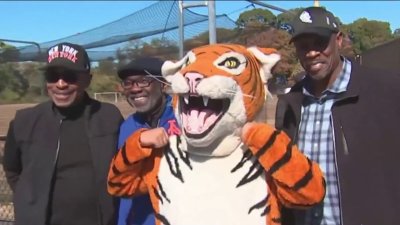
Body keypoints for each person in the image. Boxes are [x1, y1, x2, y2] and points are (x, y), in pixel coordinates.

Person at [276, 6, 400, 225]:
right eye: (303, 46)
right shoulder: (290, 103)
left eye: (320, 43)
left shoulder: (385, 89)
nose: (312, 53)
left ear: (339, 40)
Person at [2, 42, 124, 225]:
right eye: (53, 76)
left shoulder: (109, 117)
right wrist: (28, 200)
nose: (60, 84)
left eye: (70, 76)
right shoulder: (24, 121)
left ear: (87, 80)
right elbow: (12, 169)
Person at [110, 57, 179, 225]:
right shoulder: (127, 127)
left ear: (162, 84)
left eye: (143, 81)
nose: (135, 89)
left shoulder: (184, 115)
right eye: (128, 83)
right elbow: (123, 179)